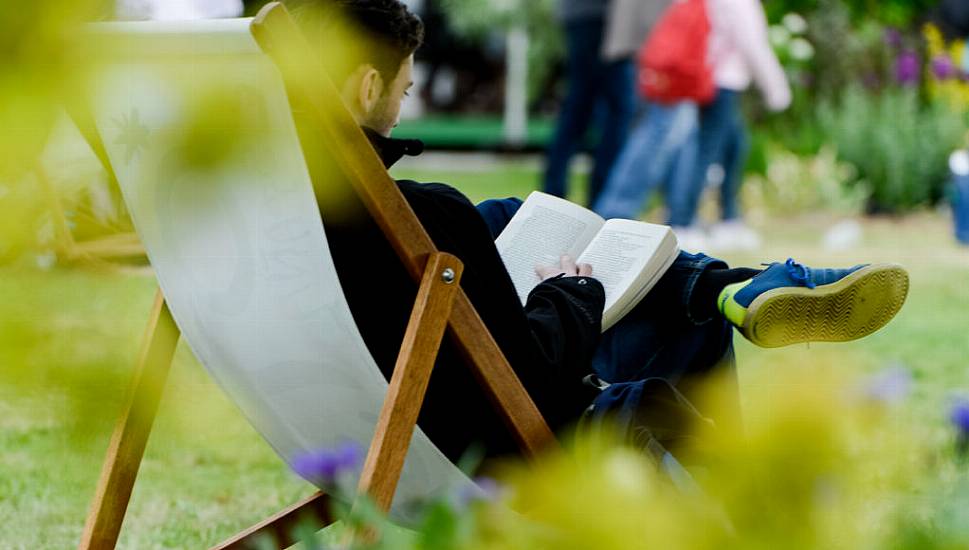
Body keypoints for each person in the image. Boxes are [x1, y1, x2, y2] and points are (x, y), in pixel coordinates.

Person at [289, 0, 909, 464]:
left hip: (369, 422)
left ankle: (728, 287)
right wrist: (570, 293)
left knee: (502, 215)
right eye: (405, 89)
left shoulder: (269, 212)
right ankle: (733, 294)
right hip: (499, 440)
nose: (401, 107)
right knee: (689, 325)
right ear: (368, 85)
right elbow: (533, 379)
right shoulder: (426, 220)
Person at [673, 0, 792, 251]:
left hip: (707, 79)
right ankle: (683, 222)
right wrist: (776, 89)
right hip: (722, 81)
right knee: (708, 151)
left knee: (734, 147)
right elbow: (752, 43)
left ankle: (728, 218)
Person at [541, 0, 637, 205]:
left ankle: (552, 195)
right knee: (618, 109)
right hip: (602, 18)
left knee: (579, 108)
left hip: (581, 16)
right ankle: (601, 197)